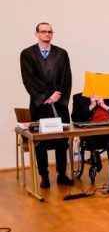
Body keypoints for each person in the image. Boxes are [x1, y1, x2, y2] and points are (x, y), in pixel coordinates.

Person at [20, 22, 74, 188]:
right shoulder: (27, 54)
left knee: (61, 140)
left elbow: (67, 77)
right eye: (43, 32)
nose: (47, 34)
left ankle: (61, 174)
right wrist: (45, 96)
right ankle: (44, 176)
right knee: (40, 142)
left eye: (50, 32)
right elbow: (29, 79)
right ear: (36, 34)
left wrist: (58, 95)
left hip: (59, 104)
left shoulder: (61, 53)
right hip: (40, 105)